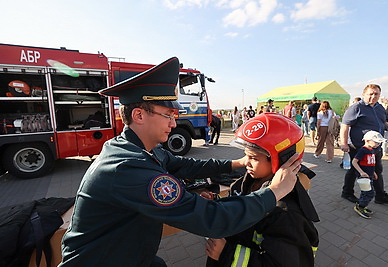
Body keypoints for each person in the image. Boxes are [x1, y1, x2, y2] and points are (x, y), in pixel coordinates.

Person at [59, 57, 302, 267]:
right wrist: (275, 191)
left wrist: (236, 164)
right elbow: (212, 219)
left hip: (125, 254)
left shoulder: (141, 150)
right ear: (139, 115)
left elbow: (188, 166)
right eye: (168, 115)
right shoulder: (127, 167)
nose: (174, 124)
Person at [205, 113, 319, 267]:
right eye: (246, 155)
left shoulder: (285, 214)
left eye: (254, 158)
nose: (247, 163)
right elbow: (241, 208)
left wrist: (226, 254)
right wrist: (217, 204)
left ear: (281, 161)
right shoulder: (245, 183)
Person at [340, 84, 388, 205]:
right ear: (364, 95)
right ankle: (347, 193)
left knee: (377, 169)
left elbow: (383, 122)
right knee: (354, 169)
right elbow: (345, 126)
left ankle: (380, 196)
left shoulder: (380, 108)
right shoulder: (356, 108)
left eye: (376, 94)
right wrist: (344, 143)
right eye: (370, 94)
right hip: (359, 146)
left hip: (376, 146)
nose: (373, 96)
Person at [352, 131, 384, 219]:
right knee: (369, 193)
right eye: (376, 142)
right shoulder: (363, 150)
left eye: (379, 143)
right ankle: (360, 207)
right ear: (367, 140)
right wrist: (361, 172)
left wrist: (373, 172)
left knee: (365, 192)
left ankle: (361, 205)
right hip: (364, 176)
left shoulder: (372, 150)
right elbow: (354, 162)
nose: (378, 144)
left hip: (369, 175)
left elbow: (371, 163)